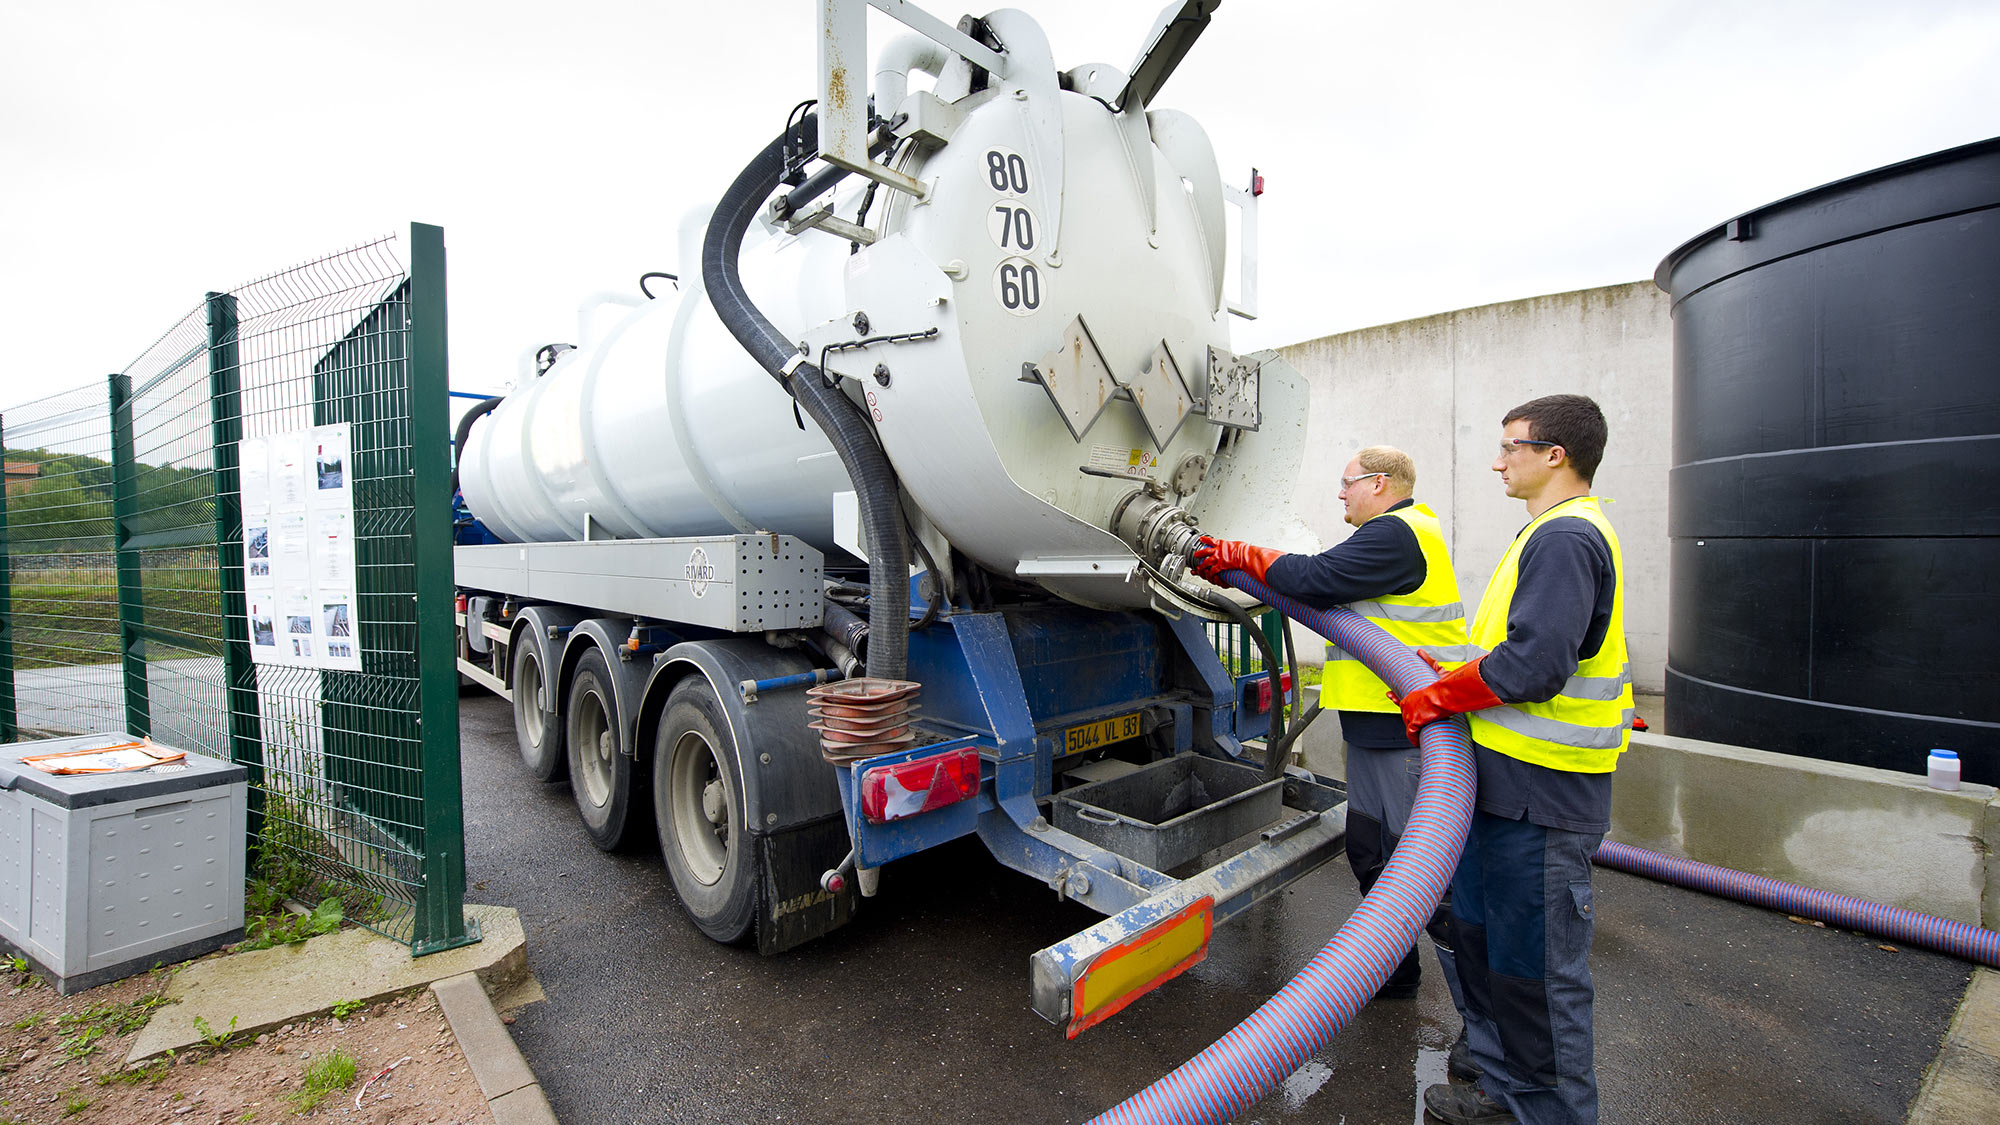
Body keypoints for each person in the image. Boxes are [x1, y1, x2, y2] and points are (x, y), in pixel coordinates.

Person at [1398, 394, 1632, 1125]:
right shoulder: (1542, 533)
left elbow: (1534, 666)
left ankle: (1551, 1115)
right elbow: (1509, 649)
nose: (1499, 460)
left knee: (1535, 979)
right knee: (1484, 948)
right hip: (1502, 793)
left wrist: (1440, 698)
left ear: (1554, 453)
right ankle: (1501, 1095)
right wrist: (1452, 665)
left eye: (1511, 446)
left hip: (1542, 799)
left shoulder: (1565, 537)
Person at [1191, 444, 1473, 1000]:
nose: (1340, 493)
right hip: (1377, 727)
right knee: (1370, 849)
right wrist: (1240, 568)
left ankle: (1483, 1030)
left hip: (1408, 731)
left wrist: (1237, 556)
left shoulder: (1399, 533)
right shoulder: (1390, 534)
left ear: (1381, 483)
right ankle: (1395, 971)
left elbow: (1314, 577)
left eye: (1348, 483)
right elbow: (1313, 583)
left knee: (1419, 873)